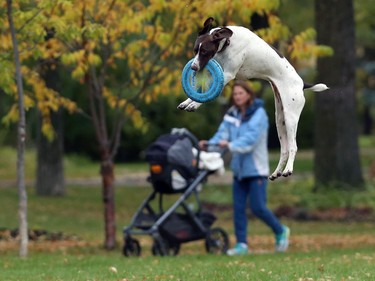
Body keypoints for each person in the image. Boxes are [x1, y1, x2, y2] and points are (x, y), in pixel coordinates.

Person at [199, 80, 290, 255]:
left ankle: (280, 230)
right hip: (239, 171)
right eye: (235, 94)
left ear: (249, 95)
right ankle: (242, 245)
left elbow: (250, 140)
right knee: (238, 209)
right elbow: (221, 135)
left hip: (256, 171)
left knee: (258, 208)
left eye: (241, 93)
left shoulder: (259, 115)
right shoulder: (232, 115)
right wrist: (209, 144)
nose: (238, 97)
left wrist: (229, 145)